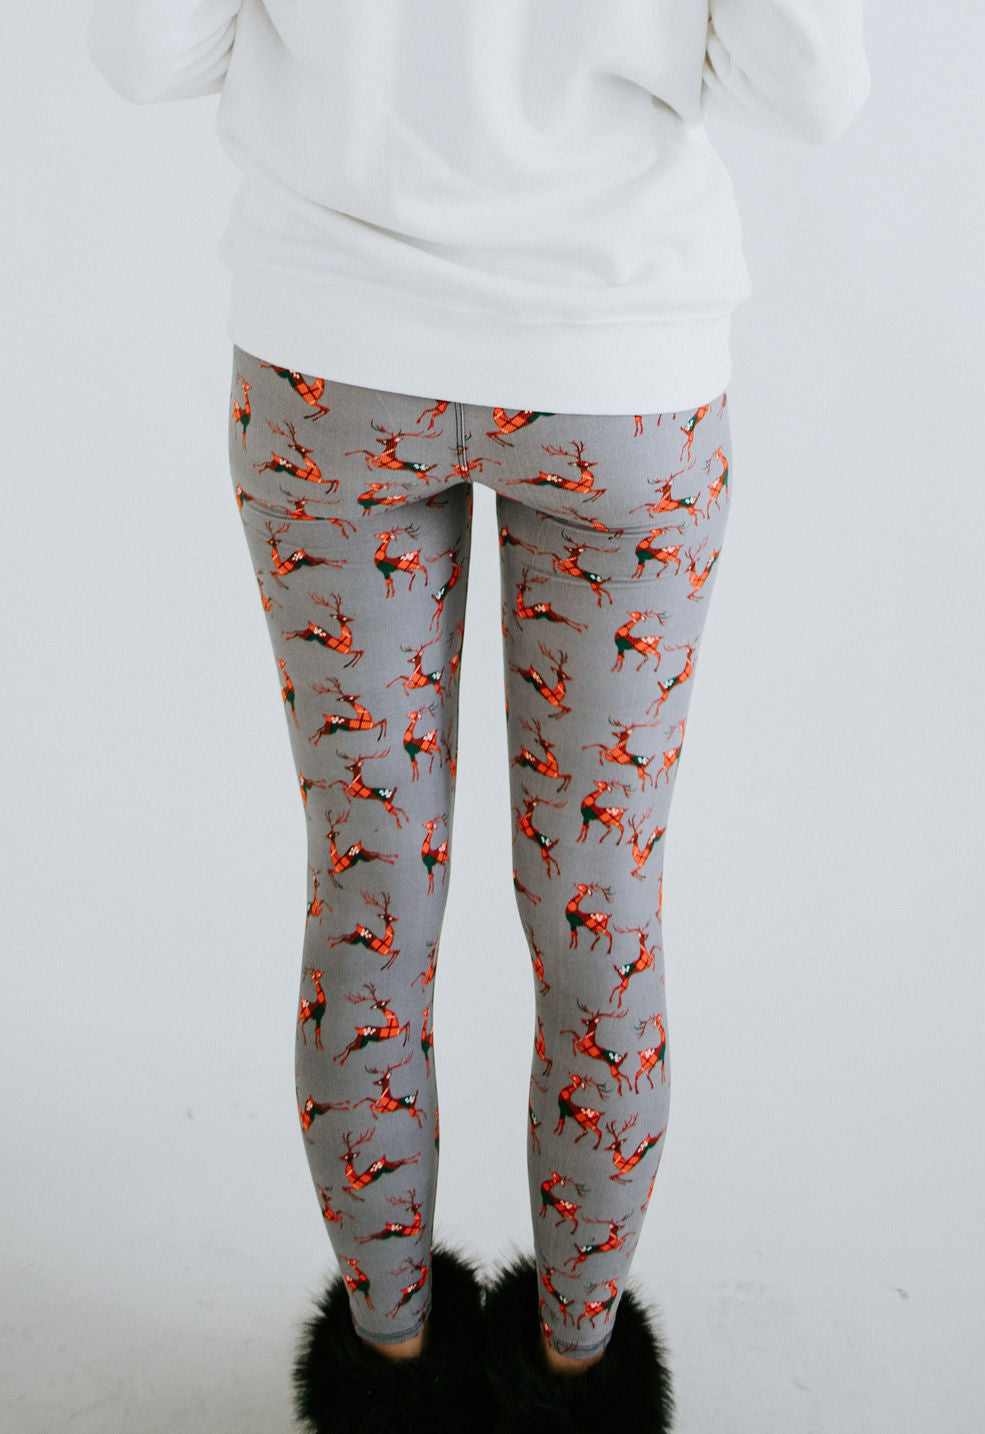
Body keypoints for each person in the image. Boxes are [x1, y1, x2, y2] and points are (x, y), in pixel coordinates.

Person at [86, 4, 871, 1431]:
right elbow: (809, 88)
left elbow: (145, 54)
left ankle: (387, 1377)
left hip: (329, 363)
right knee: (598, 905)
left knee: (371, 886)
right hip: (618, 375)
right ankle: (574, 1381)